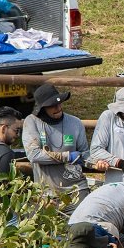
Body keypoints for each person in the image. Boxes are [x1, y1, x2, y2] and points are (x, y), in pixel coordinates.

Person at [22, 83, 106, 213]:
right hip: (47, 193)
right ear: (42, 108)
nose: (58, 107)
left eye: (60, 103)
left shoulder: (75, 123)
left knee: (82, 226)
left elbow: (83, 153)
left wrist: (96, 162)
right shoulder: (32, 122)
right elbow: (34, 155)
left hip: (77, 189)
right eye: (52, 105)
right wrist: (67, 156)